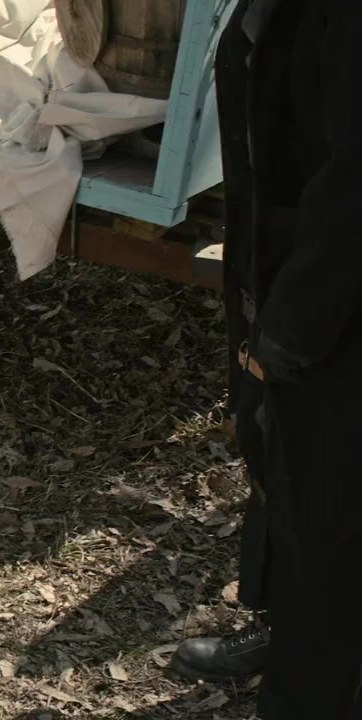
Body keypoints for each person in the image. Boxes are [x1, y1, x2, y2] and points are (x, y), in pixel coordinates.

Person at [170, 1, 362, 717]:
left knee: (328, 506)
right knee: (279, 464)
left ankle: (308, 690)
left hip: (336, 296)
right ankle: (286, 634)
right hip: (286, 266)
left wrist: (296, 324)